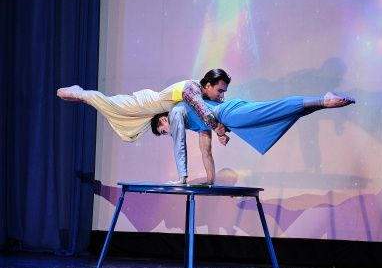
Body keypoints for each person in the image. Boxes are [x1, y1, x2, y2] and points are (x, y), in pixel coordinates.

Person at [151, 92, 355, 184]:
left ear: (163, 119)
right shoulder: (193, 122)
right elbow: (206, 152)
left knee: (273, 109)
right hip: (232, 119)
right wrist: (210, 181)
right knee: (279, 119)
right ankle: (321, 103)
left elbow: (179, 144)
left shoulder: (176, 112)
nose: (168, 133)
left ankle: (323, 100)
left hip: (229, 113)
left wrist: (182, 178)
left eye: (163, 131)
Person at [56, 69, 231, 141]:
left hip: (152, 111)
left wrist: (221, 130)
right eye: (220, 91)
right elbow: (203, 112)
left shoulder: (204, 95)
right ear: (208, 85)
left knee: (130, 133)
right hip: (146, 103)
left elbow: (212, 112)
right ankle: (81, 93)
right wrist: (218, 130)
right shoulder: (192, 88)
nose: (221, 96)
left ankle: (85, 97)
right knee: (113, 106)